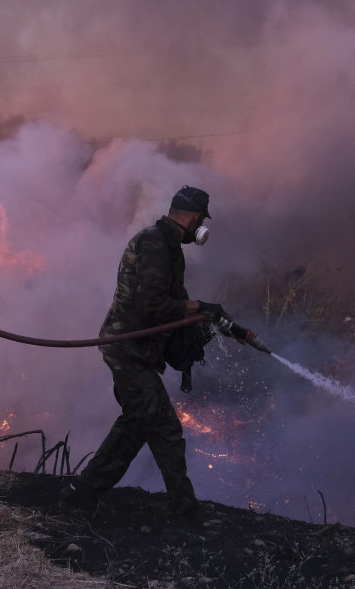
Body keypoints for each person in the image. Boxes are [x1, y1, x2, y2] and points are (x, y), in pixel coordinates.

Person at [60, 185, 255, 518]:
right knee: (165, 427)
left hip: (137, 348)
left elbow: (176, 304)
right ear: (195, 219)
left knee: (136, 425)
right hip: (127, 348)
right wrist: (200, 306)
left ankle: (83, 493)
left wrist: (224, 325)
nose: (199, 230)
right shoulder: (154, 243)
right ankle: (184, 508)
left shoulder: (168, 246)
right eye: (200, 222)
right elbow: (152, 306)